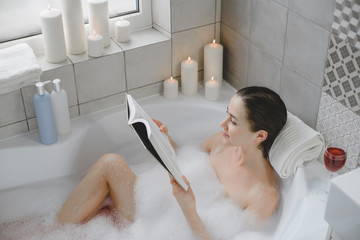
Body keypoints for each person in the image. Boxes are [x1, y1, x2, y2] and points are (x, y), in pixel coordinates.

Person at [57, 86, 287, 240]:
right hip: (156, 210)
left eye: (233, 121)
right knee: (110, 164)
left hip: (174, 231)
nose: (222, 123)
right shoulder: (223, 143)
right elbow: (182, 156)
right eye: (227, 114)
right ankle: (54, 231)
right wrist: (161, 138)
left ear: (260, 136)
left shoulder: (263, 195)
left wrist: (189, 210)